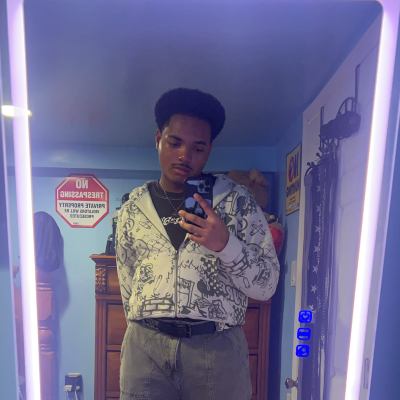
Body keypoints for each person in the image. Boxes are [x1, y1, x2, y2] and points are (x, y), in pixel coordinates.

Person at [116, 87, 280, 400]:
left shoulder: (238, 202)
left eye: (198, 148)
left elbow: (267, 285)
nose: (184, 155)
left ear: (209, 150)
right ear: (158, 139)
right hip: (145, 350)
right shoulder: (133, 208)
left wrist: (225, 244)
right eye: (174, 142)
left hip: (217, 351)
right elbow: (128, 283)